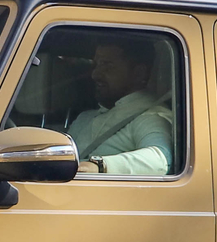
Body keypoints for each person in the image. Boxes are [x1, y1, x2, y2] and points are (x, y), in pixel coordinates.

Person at [68, 39, 176, 176]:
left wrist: (97, 166)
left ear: (138, 73)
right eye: (96, 65)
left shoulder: (150, 117)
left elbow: (160, 160)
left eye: (107, 65)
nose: (95, 74)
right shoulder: (85, 117)